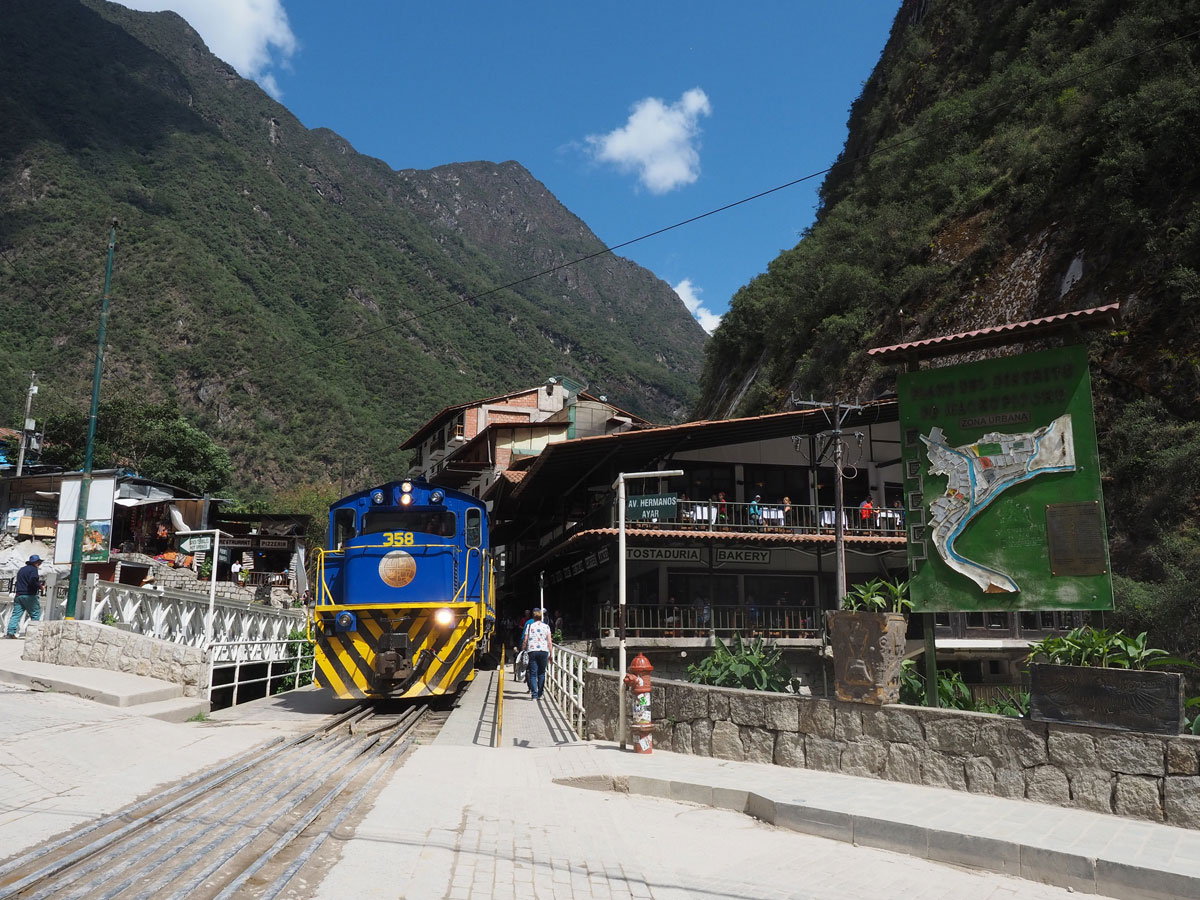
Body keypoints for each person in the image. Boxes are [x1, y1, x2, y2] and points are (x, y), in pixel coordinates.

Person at [6, 554, 43, 639]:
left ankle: (10, 633)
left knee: (16, 615)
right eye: (39, 562)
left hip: (19, 595)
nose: (39, 564)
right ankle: (32, 634)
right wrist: (40, 586)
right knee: (35, 614)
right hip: (29, 595)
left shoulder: (22, 570)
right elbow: (32, 580)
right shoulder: (33, 570)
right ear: (36, 562)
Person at [522, 609, 553, 700]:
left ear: (533, 617)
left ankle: (534, 695)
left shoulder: (530, 626)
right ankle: (540, 694)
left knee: (533, 673)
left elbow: (525, 639)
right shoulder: (546, 627)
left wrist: (523, 649)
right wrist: (551, 654)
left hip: (532, 651)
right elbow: (550, 642)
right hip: (544, 651)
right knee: (542, 673)